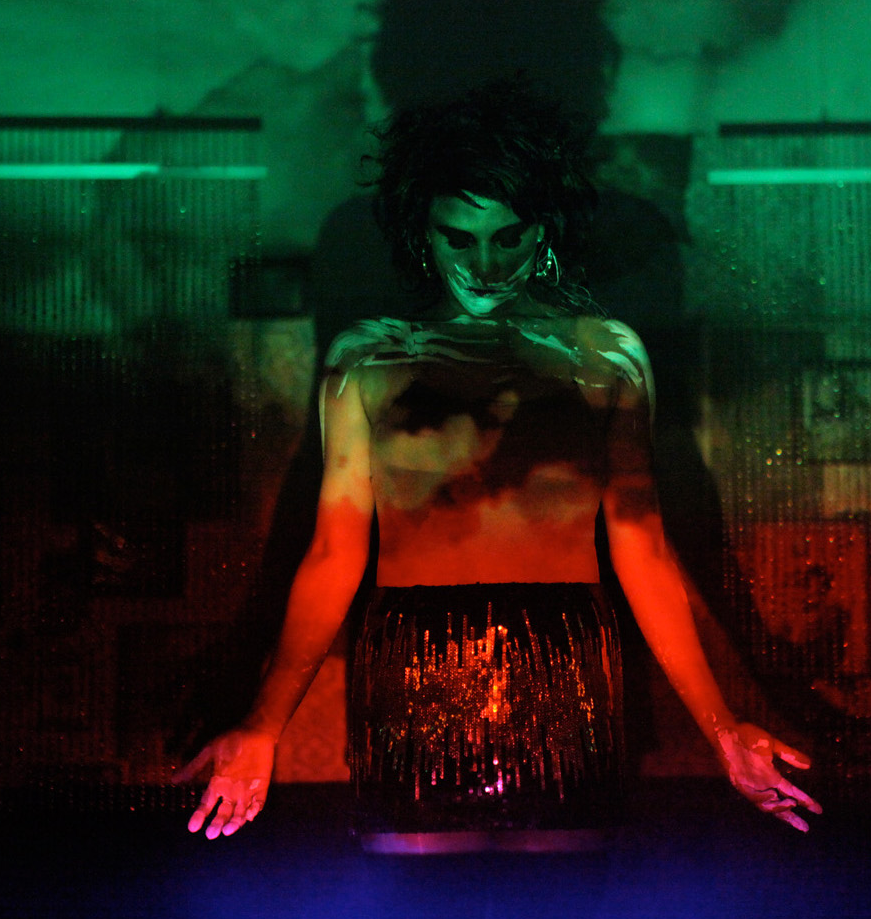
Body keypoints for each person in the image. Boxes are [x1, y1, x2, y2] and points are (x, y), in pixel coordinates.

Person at [178, 81, 820, 852]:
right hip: (413, 661)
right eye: (459, 239)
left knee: (558, 893)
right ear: (423, 234)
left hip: (566, 658)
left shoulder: (605, 356)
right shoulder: (368, 360)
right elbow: (332, 552)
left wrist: (723, 729)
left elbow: (643, 548)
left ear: (543, 233)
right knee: (419, 892)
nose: (484, 265)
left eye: (508, 237)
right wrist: (261, 726)